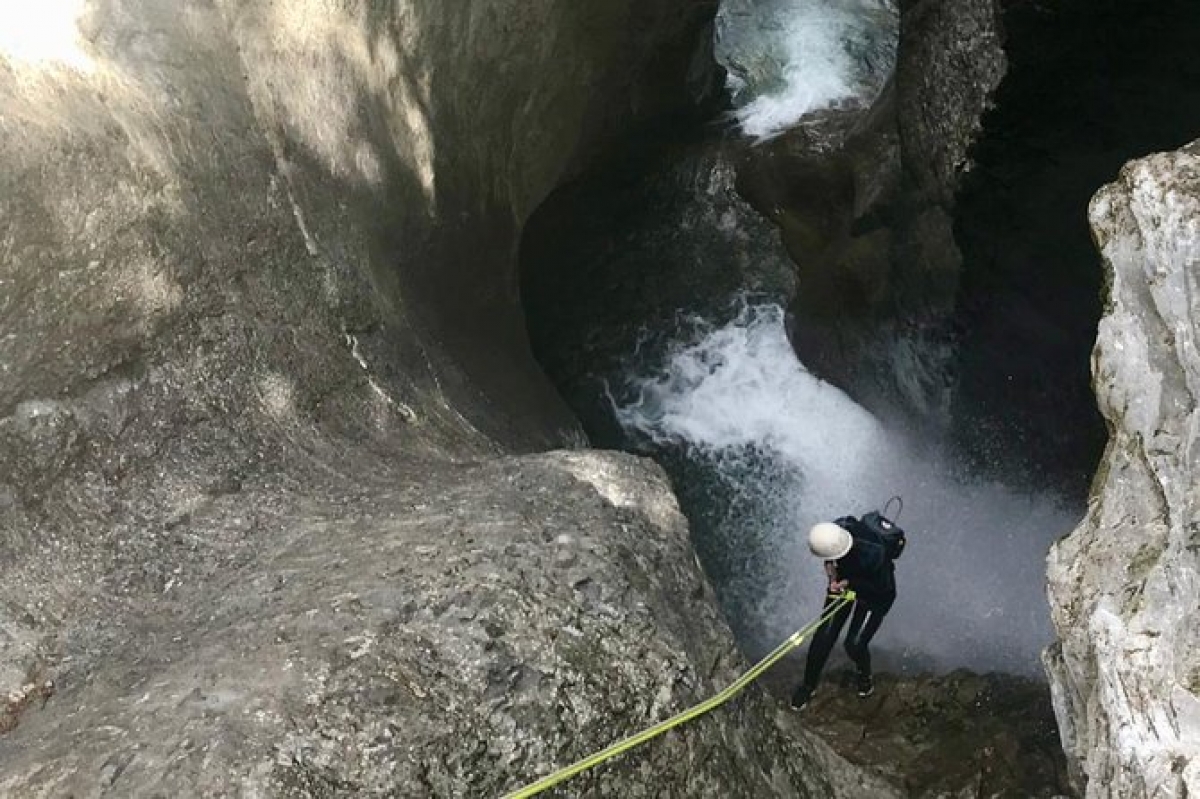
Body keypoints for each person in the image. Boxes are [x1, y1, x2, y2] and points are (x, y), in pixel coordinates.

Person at [790, 515, 899, 710]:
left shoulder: (874, 554)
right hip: (845, 583)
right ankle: (808, 686)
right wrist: (832, 576)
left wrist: (849, 584)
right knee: (823, 636)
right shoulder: (835, 530)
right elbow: (829, 559)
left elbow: (882, 590)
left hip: (874, 593)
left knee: (854, 644)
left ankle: (865, 675)